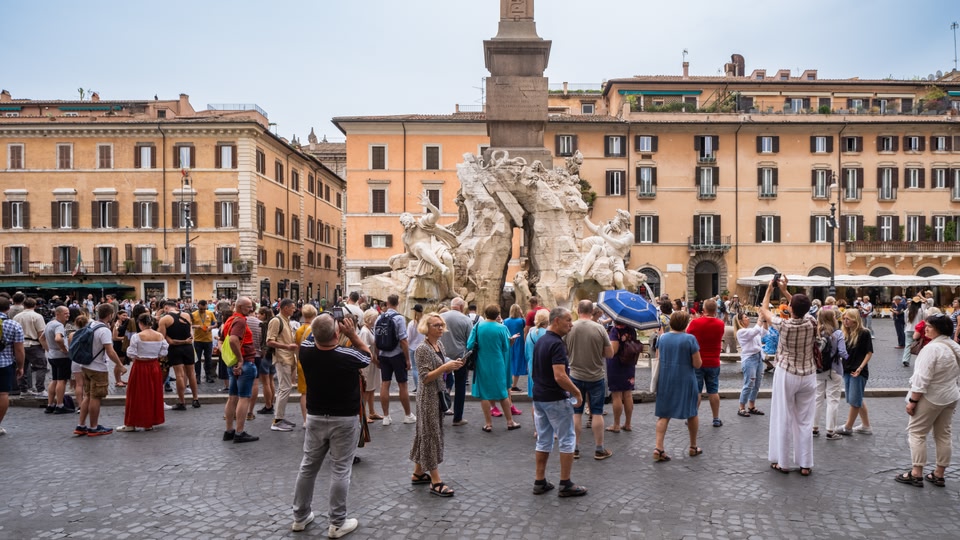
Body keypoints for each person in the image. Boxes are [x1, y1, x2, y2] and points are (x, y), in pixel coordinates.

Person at [291, 313, 371, 536]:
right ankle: (337, 522)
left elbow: (310, 335)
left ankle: (300, 516)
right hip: (344, 418)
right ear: (337, 333)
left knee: (308, 467)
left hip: (315, 416)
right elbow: (367, 355)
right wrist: (352, 333)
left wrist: (324, 324)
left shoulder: (306, 351)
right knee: (340, 469)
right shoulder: (346, 355)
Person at [759, 276, 817, 476]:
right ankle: (805, 464)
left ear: (790, 308)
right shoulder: (811, 322)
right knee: (805, 420)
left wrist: (769, 289)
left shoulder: (783, 325)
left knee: (783, 416)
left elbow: (765, 311)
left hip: (787, 372)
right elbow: (803, 309)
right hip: (808, 374)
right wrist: (786, 292)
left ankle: (783, 462)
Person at [895, 313, 960, 488]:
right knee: (944, 434)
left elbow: (921, 379)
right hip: (950, 395)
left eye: (929, 326)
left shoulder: (931, 349)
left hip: (931, 396)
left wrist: (913, 401)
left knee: (917, 432)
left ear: (938, 329)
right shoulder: (955, 346)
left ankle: (916, 473)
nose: (926, 328)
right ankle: (939, 473)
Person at [531, 307, 587, 497]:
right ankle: (566, 483)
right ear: (556, 321)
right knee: (567, 439)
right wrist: (577, 392)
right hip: (555, 397)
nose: (571, 324)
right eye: (568, 320)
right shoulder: (557, 344)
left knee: (544, 439)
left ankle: (540, 480)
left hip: (539, 396)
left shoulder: (540, 341)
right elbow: (560, 375)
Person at [410, 312, 464, 497]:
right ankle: (436, 481)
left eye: (441, 325)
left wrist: (452, 364)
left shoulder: (439, 344)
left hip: (438, 394)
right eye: (436, 325)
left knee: (425, 433)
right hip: (428, 398)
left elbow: (442, 365)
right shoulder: (422, 349)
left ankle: (418, 473)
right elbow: (424, 378)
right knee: (431, 435)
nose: (440, 328)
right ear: (427, 328)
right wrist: (444, 368)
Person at [564, 300, 613, 460]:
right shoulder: (599, 329)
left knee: (576, 412)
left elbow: (563, 351)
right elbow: (609, 354)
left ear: (578, 310)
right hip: (596, 376)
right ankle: (599, 449)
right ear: (592, 311)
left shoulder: (570, 328)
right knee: (597, 412)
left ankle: (575, 448)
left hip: (575, 376)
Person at [653, 310, 703, 462]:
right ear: (685, 323)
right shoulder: (690, 339)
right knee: (692, 412)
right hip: (686, 379)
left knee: (664, 414)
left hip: (666, 379)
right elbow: (697, 364)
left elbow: (658, 357)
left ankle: (658, 447)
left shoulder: (663, 338)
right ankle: (693, 446)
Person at [76, 304, 127, 437]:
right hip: (98, 368)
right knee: (96, 397)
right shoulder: (104, 330)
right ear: (110, 315)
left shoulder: (91, 325)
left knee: (87, 395)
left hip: (86, 365)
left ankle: (81, 425)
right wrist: (120, 365)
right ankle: (93, 427)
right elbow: (110, 351)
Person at [467, 304, 520, 432]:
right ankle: (510, 421)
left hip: (482, 362)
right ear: (498, 315)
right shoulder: (502, 328)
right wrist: (511, 341)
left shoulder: (478, 326)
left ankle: (488, 424)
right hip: (498, 363)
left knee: (485, 394)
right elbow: (505, 347)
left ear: (485, 313)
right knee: (502, 393)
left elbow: (469, 345)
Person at [116, 313, 167, 432]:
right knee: (152, 393)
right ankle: (148, 423)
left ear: (140, 323)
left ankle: (131, 423)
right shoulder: (159, 336)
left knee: (136, 394)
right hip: (154, 365)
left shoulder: (137, 336)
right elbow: (163, 352)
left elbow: (130, 353)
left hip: (140, 366)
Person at [221, 297, 259, 444]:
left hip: (232, 363)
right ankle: (239, 432)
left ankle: (229, 430)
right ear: (241, 307)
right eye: (249, 307)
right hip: (244, 363)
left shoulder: (230, 320)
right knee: (244, 398)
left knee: (232, 397)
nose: (251, 309)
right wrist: (241, 359)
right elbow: (233, 340)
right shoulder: (241, 321)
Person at [376, 294, 415, 426]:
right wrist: (408, 359)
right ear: (398, 303)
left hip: (383, 354)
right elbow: (403, 341)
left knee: (385, 384)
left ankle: (386, 417)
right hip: (397, 355)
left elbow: (376, 340)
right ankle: (407, 415)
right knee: (402, 385)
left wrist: (377, 357)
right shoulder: (399, 318)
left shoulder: (378, 318)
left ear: (387, 303)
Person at [686, 299, 725, 428]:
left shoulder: (695, 323)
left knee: (696, 391)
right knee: (713, 391)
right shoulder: (720, 324)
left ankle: (692, 416)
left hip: (697, 361)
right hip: (714, 361)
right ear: (716, 310)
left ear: (704, 310)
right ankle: (716, 418)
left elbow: (687, 336)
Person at [835, 309, 873, 437]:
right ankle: (866, 426)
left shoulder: (864, 333)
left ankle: (848, 426)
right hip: (847, 369)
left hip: (858, 371)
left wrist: (860, 368)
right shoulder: (844, 333)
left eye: (848, 319)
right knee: (856, 398)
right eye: (844, 319)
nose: (845, 321)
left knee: (854, 400)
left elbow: (869, 352)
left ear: (855, 320)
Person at [157, 300, 200, 410]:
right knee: (191, 374)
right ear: (175, 306)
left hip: (175, 348)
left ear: (166, 308)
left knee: (179, 375)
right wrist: (187, 341)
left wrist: (170, 339)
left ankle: (182, 402)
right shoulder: (186, 315)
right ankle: (195, 399)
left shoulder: (164, 319)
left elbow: (161, 337)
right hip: (188, 348)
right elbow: (190, 332)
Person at [812, 309, 847, 440]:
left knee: (817, 398)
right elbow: (843, 352)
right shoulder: (837, 333)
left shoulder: (816, 333)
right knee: (833, 400)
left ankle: (814, 428)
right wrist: (849, 359)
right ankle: (830, 431)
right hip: (834, 369)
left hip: (819, 369)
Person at [440, 297, 473, 426]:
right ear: (461, 307)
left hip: (441, 356)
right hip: (460, 358)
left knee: (440, 386)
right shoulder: (466, 320)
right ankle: (457, 418)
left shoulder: (440, 317)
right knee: (460, 387)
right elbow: (469, 341)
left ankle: (439, 413)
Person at [267, 299, 299, 431]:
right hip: (282, 358)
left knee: (284, 388)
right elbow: (269, 341)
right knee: (284, 388)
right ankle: (277, 420)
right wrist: (287, 346)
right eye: (292, 307)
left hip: (288, 358)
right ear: (285, 308)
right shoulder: (276, 321)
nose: (294, 309)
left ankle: (280, 417)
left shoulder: (286, 320)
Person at [606, 321, 639, 433]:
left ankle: (616, 424)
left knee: (617, 395)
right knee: (628, 394)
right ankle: (628, 423)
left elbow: (614, 350)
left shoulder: (615, 330)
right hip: (629, 363)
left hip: (617, 364)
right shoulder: (632, 329)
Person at [734, 311, 768, 418]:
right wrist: (760, 318)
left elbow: (764, 332)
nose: (748, 318)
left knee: (757, 384)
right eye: (746, 317)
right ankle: (741, 407)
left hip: (758, 357)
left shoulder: (750, 330)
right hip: (749, 359)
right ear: (740, 321)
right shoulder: (741, 332)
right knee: (749, 383)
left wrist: (765, 320)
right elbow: (756, 330)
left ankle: (752, 406)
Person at [0, 296, 25, 435]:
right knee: (3, 394)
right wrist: (20, 366)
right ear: (8, 309)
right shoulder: (14, 325)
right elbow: (19, 350)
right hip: (5, 364)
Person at [14, 297, 48, 396]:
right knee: (41, 367)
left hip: (20, 344)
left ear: (24, 305)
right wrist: (46, 347)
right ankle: (40, 389)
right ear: (35, 305)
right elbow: (41, 333)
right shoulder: (37, 316)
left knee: (21, 367)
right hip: (34, 345)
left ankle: (23, 390)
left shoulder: (17, 317)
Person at [43, 306, 72, 414]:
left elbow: (42, 338)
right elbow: (58, 338)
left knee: (54, 380)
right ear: (58, 314)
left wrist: (48, 349)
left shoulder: (49, 324)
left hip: (52, 356)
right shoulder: (59, 325)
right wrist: (64, 349)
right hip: (61, 356)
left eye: (68, 313)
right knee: (62, 380)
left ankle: (50, 404)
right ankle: (60, 405)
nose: (68, 315)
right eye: (65, 313)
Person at [358, 309, 383, 422]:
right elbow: (366, 350)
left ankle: (372, 412)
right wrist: (376, 361)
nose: (376, 320)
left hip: (372, 363)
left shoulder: (370, 329)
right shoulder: (364, 331)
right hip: (368, 364)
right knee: (366, 389)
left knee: (371, 388)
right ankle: (363, 414)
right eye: (375, 318)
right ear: (370, 318)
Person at [525, 309, 550, 398]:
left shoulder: (530, 333)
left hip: (532, 366)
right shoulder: (548, 334)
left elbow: (526, 353)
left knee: (536, 400)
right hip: (544, 368)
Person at [191, 299, 218, 384]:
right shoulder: (193, 314)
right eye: (201, 309)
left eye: (204, 309)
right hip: (198, 340)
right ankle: (197, 376)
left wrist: (211, 327)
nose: (202, 310)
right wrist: (197, 326)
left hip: (208, 340)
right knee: (197, 360)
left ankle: (208, 376)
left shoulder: (210, 313)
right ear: (198, 306)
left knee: (208, 359)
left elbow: (216, 324)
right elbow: (190, 324)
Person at [256, 306, 276, 413]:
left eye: (259, 314)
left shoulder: (263, 324)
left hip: (264, 353)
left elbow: (263, 340)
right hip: (273, 353)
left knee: (265, 383)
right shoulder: (273, 323)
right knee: (271, 380)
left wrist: (263, 350)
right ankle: (271, 403)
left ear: (264, 315)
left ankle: (268, 405)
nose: (257, 316)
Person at [504, 304, 527, 393]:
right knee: (517, 362)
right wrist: (522, 315)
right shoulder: (521, 321)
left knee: (509, 361)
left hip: (509, 341)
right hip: (519, 343)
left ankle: (508, 383)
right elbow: (525, 328)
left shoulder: (506, 321)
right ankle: (514, 385)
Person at [406, 304, 425, 393]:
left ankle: (418, 387)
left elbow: (408, 338)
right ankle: (423, 386)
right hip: (423, 347)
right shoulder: (425, 323)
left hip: (413, 348)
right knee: (423, 367)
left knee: (415, 368)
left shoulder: (412, 324)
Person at [903, 295, 926, 367]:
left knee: (907, 345)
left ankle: (905, 359)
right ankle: (919, 360)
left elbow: (905, 321)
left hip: (908, 329)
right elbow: (923, 319)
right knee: (920, 345)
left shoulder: (907, 311)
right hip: (918, 330)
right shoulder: (920, 311)